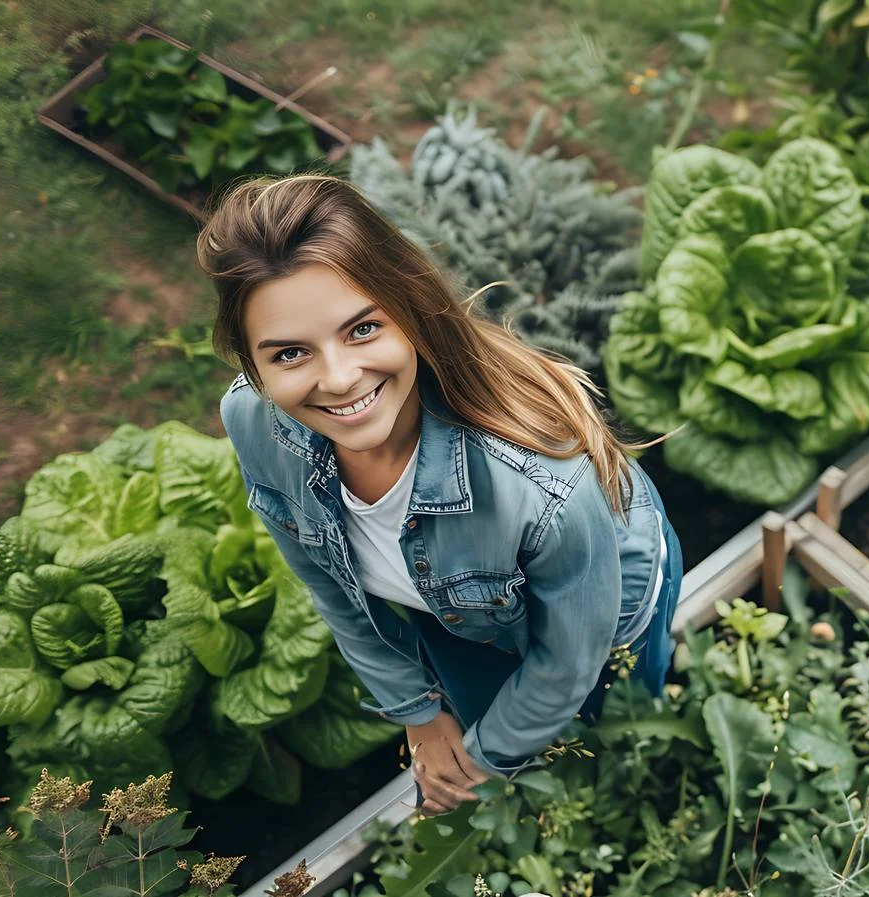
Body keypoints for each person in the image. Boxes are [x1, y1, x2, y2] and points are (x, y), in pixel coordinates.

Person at [199, 175, 682, 815]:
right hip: (459, 615)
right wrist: (418, 713)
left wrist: (483, 763)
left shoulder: (543, 490)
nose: (339, 379)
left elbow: (567, 665)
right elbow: (327, 585)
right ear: (252, 366)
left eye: (363, 329)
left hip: (609, 613)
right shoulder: (254, 423)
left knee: (611, 737)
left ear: (412, 308)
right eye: (290, 353)